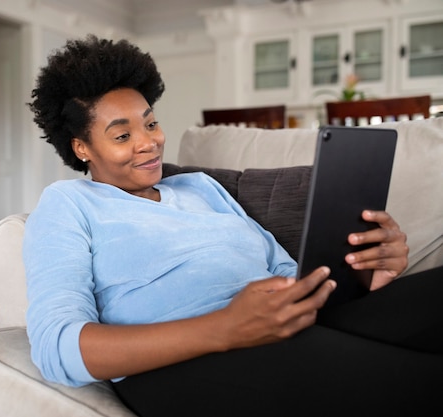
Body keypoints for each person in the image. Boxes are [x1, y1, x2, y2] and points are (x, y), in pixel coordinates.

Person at [24, 35, 443, 416]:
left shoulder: (200, 188)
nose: (148, 141)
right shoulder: (69, 204)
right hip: (181, 366)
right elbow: (56, 346)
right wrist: (225, 329)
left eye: (150, 123)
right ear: (82, 148)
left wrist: (371, 278)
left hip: (283, 328)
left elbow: (285, 275)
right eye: (121, 135)